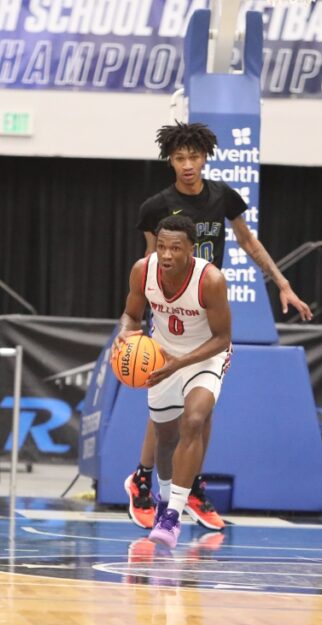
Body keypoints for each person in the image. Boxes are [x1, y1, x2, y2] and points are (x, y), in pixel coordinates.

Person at [125, 121, 312, 532]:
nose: (187, 164)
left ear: (206, 156)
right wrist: (133, 327)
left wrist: (282, 283)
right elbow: (148, 265)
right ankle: (143, 478)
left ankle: (187, 486)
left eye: (194, 156)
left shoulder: (222, 196)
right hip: (170, 314)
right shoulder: (157, 206)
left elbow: (249, 242)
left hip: (205, 309)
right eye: (179, 158)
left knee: (199, 414)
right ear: (169, 161)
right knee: (166, 414)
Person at [115, 214, 232, 549]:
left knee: (194, 420)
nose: (166, 255)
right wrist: (125, 334)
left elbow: (223, 338)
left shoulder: (210, 280)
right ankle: (165, 499)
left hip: (205, 356)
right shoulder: (143, 270)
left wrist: (180, 364)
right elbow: (132, 315)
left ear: (191, 251)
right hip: (162, 354)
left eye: (175, 248)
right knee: (165, 438)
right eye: (162, 246)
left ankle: (173, 515)